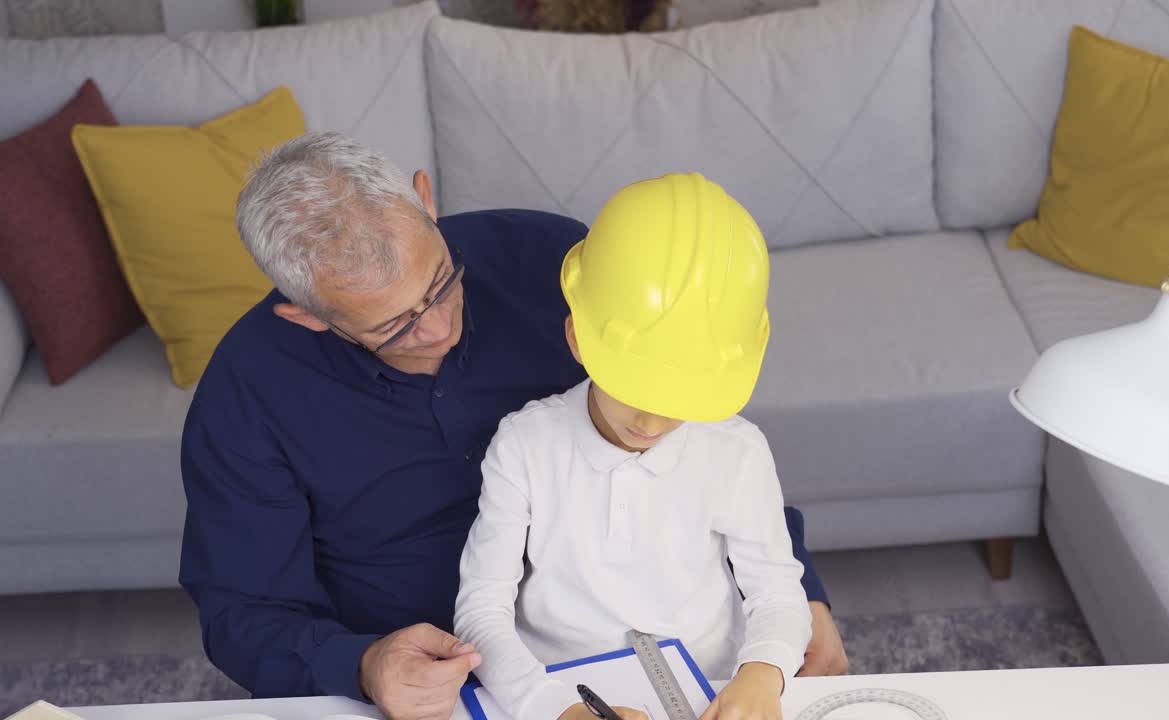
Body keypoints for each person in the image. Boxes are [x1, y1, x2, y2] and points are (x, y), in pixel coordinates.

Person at [179, 132, 848, 720]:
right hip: (418, 690)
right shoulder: (247, 393)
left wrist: (801, 594)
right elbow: (243, 613)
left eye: (439, 282)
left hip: (610, 652)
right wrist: (363, 665)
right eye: (394, 326)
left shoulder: (549, 260)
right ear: (309, 315)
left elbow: (691, 404)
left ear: (425, 199)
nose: (438, 327)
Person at [455, 173, 811, 720]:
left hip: (709, 680)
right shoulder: (524, 446)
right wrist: (544, 703)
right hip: (554, 689)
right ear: (576, 338)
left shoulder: (736, 452)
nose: (652, 420)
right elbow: (482, 605)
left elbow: (779, 592)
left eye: (682, 397)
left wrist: (763, 674)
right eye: (633, 389)